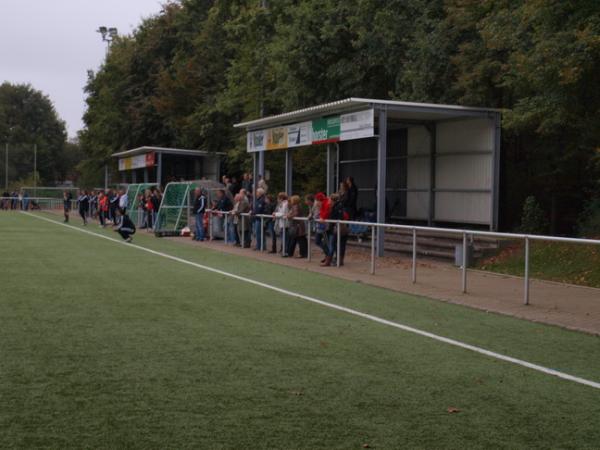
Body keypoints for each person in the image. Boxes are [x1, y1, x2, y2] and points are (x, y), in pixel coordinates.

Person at [328, 192, 349, 266]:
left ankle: (338, 260)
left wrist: (332, 227)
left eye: (330, 200)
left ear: (333, 200)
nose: (329, 201)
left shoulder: (337, 207)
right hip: (340, 228)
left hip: (339, 229)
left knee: (338, 244)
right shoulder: (338, 206)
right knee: (338, 244)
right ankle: (338, 260)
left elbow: (337, 218)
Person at [315, 192, 332, 265]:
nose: (316, 203)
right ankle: (327, 255)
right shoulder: (322, 205)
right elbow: (319, 214)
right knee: (317, 241)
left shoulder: (327, 204)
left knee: (326, 243)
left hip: (325, 227)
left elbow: (326, 214)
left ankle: (328, 257)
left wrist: (322, 218)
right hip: (321, 226)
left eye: (317, 201)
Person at [273, 192, 289, 256]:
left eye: (278, 198)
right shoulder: (282, 204)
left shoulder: (285, 204)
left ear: (281, 198)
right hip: (282, 223)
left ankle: (285, 252)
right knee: (283, 238)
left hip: (285, 223)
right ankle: (283, 251)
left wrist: (275, 214)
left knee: (285, 238)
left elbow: (283, 213)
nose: (277, 199)